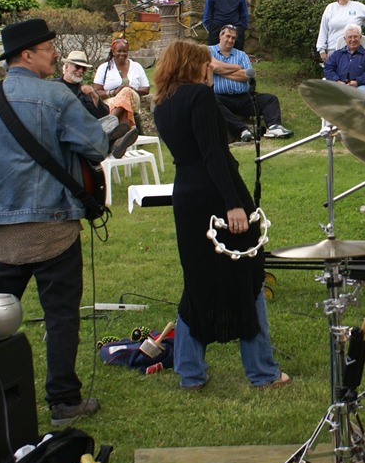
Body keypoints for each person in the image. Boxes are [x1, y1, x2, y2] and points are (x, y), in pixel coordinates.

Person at [0, 19, 110, 427]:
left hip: (2, 230)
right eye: (49, 48)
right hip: (53, 225)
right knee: (60, 315)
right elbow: (96, 145)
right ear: (27, 55)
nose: (56, 54)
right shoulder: (55, 96)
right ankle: (63, 401)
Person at [152, 39, 289, 391]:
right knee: (248, 274)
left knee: (197, 278)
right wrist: (233, 203)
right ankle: (262, 371)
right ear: (192, 65)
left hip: (186, 195)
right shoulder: (200, 97)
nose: (210, 68)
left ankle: (190, 371)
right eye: (206, 63)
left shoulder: (162, 103)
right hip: (216, 194)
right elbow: (213, 152)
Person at [209, 25, 294, 142]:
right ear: (220, 36)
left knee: (270, 99)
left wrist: (220, 71)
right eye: (228, 36)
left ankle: (274, 127)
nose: (230, 40)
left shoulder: (241, 55)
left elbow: (248, 75)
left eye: (233, 38)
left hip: (243, 98)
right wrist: (236, 67)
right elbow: (212, 66)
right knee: (211, 101)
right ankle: (242, 130)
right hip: (220, 97)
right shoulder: (208, 51)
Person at [93, 38, 150, 128]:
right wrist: (114, 92)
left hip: (133, 100)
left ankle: (109, 122)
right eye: (119, 51)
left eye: (125, 51)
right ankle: (125, 131)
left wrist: (132, 90)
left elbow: (146, 89)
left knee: (126, 91)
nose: (122, 54)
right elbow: (96, 92)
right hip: (110, 100)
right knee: (124, 107)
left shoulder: (136, 66)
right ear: (113, 52)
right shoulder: (104, 68)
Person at [323, 24, 365, 95]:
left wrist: (357, 82)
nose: (353, 40)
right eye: (350, 37)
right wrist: (337, 81)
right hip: (339, 86)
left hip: (360, 86)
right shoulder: (336, 55)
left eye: (355, 37)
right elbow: (328, 69)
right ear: (345, 39)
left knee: (363, 92)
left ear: (360, 37)